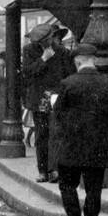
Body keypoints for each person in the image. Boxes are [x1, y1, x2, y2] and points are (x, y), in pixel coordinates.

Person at [53, 43, 108, 216]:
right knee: (94, 189)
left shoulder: (67, 83)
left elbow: (58, 114)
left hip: (71, 145)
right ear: (95, 61)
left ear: (77, 61)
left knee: (68, 186)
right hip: (98, 146)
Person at [22, 22, 75, 184]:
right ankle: (43, 170)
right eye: (39, 42)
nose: (43, 44)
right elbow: (28, 73)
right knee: (41, 136)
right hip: (39, 98)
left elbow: (69, 75)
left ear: (51, 38)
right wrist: (43, 59)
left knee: (57, 134)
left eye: (46, 40)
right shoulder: (29, 51)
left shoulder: (63, 52)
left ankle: (55, 170)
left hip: (56, 97)